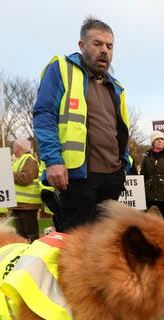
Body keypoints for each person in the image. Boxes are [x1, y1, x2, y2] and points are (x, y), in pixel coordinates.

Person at [34, 16, 131, 232]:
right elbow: (44, 115)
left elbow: (121, 131)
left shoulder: (116, 87)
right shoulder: (61, 69)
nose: (104, 50)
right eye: (97, 44)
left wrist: (124, 166)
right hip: (76, 178)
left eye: (109, 46)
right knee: (76, 250)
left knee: (107, 245)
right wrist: (53, 161)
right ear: (82, 45)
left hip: (112, 177)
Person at [140, 131, 164, 227]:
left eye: (162, 139)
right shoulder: (146, 158)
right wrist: (141, 195)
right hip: (150, 195)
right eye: (157, 139)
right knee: (152, 223)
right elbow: (142, 176)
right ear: (153, 142)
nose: (160, 141)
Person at [10, 138, 42, 241]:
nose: (12, 149)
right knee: (21, 235)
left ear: (19, 147)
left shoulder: (29, 160)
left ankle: (34, 253)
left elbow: (26, 178)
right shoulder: (18, 161)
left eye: (13, 147)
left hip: (27, 205)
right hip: (20, 205)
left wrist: (8, 174)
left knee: (31, 234)